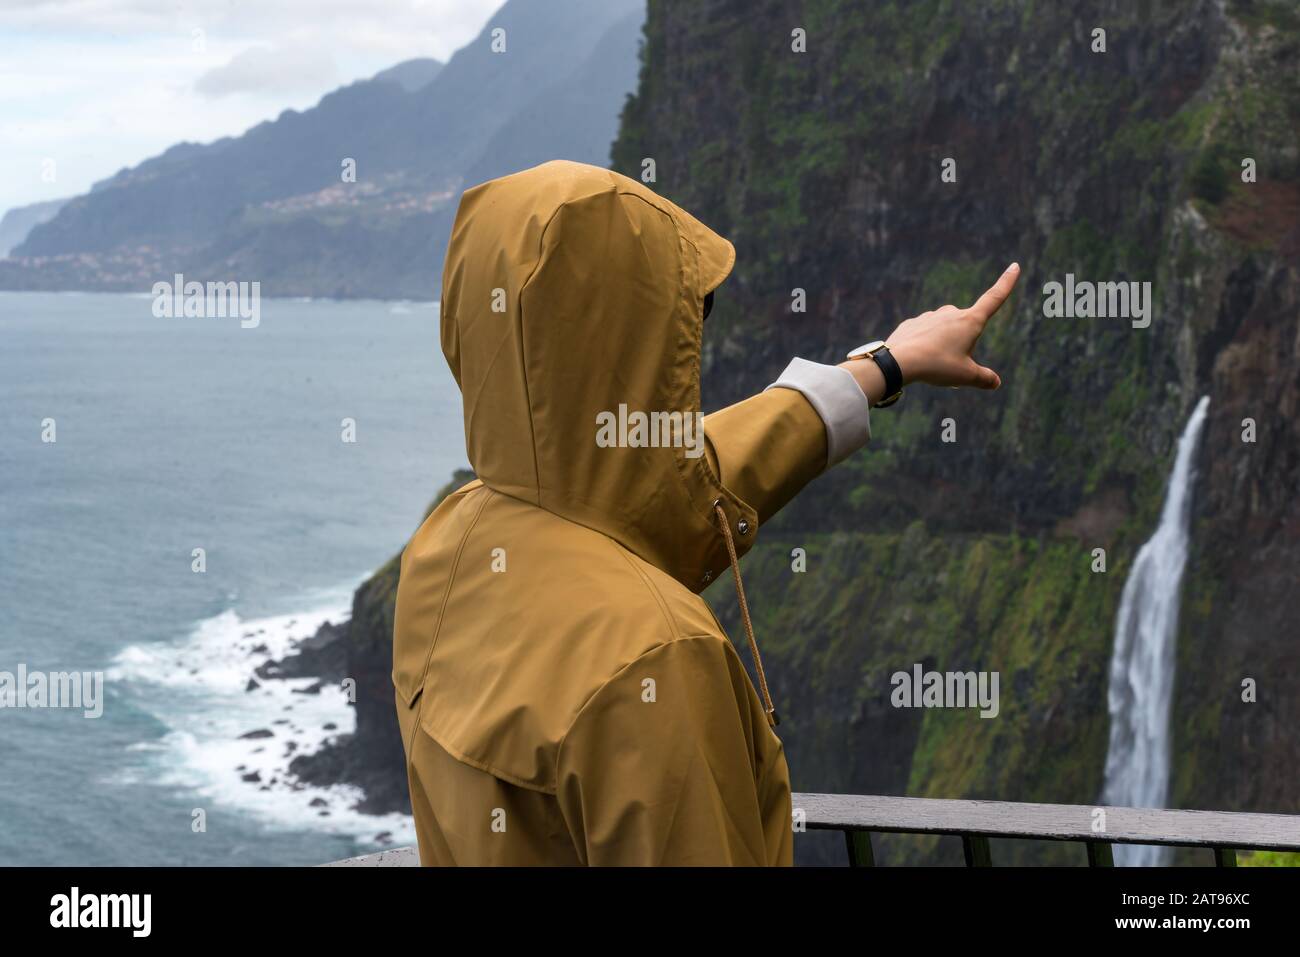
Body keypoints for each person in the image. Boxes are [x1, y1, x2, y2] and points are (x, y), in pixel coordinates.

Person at [393, 160, 1019, 865]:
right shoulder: (654, 656)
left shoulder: (445, 548)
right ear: (637, 340)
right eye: (684, 309)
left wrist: (883, 366)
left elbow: (671, 482)